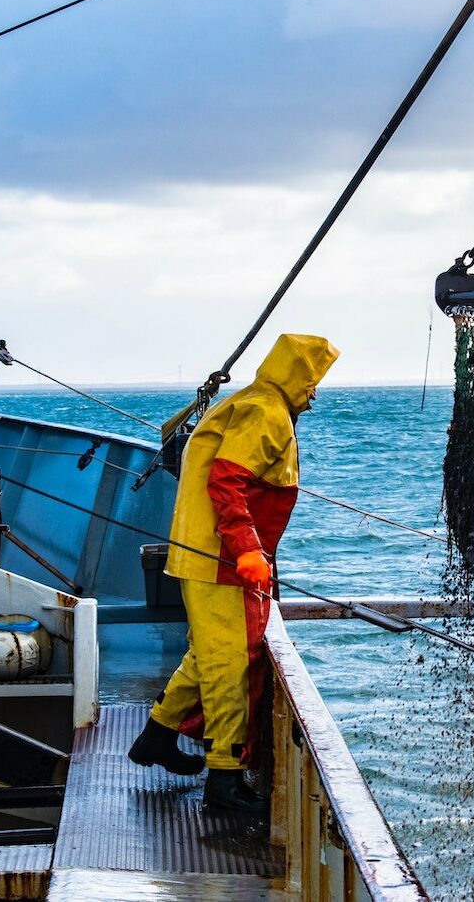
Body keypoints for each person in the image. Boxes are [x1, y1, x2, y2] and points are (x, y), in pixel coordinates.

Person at [128, 333, 340, 812]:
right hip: (219, 559)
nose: (314, 395)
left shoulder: (254, 401)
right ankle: (224, 779)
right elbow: (226, 480)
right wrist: (247, 549)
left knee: (210, 653)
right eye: (311, 383)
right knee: (231, 663)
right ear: (296, 377)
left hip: (204, 554)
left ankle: (157, 736)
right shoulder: (266, 412)